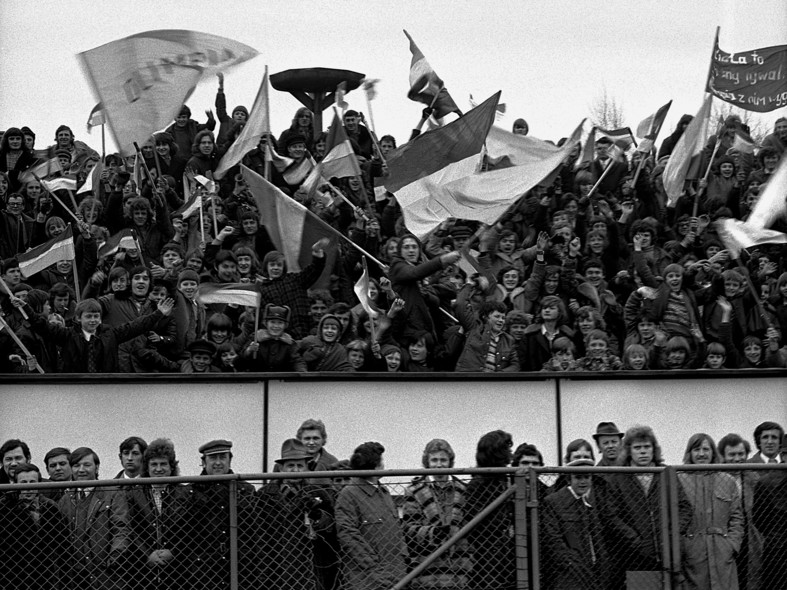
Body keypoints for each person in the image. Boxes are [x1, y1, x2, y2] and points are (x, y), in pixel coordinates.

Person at [604, 426, 692, 588]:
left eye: (647, 446)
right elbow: (612, 516)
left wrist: (672, 533)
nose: (643, 451)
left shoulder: (666, 474)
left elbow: (685, 507)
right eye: (637, 447)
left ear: (654, 449)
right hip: (637, 557)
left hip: (670, 555)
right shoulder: (618, 478)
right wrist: (636, 540)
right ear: (629, 451)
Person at [258, 438, 338, 590]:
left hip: (309, 567)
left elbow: (331, 527)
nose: (295, 470)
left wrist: (318, 515)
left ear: (306, 467)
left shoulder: (318, 493)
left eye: (300, 466)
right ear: (280, 468)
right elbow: (257, 533)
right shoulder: (264, 496)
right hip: (274, 567)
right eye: (290, 466)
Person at [335, 441, 407, 590]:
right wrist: (374, 569)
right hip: (366, 579)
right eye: (381, 460)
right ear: (375, 465)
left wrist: (403, 561)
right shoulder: (349, 494)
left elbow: (396, 532)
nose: (383, 464)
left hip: (395, 573)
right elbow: (348, 535)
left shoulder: (384, 492)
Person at [402, 439, 471, 590]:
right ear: (427, 462)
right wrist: (433, 533)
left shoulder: (463, 489)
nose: (439, 465)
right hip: (427, 564)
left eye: (443, 460)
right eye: (434, 460)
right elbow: (409, 528)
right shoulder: (415, 490)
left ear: (450, 462)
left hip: (458, 562)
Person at [58, 447, 131, 590]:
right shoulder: (65, 500)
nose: (81, 470)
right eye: (76, 465)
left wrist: (114, 559)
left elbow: (121, 529)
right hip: (75, 577)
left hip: (107, 575)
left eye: (87, 465)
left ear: (97, 467)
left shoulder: (112, 494)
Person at [678, 433, 744, 590]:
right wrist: (684, 547)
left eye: (706, 449)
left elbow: (737, 517)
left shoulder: (727, 480)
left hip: (722, 551)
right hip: (693, 552)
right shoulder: (679, 480)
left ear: (713, 452)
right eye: (696, 449)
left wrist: (732, 545)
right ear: (689, 453)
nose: (701, 454)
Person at [125, 438, 193, 590]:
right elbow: (131, 529)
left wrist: (174, 552)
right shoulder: (134, 494)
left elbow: (191, 530)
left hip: (179, 572)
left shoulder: (185, 494)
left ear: (171, 467)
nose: (158, 469)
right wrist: (147, 555)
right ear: (147, 467)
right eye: (154, 464)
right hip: (143, 573)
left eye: (163, 464)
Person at [190, 439, 258, 589]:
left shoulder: (245, 490)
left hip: (241, 569)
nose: (218, 463)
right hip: (203, 572)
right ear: (204, 461)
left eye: (222, 457)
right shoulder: (192, 492)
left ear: (230, 460)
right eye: (213, 458)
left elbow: (255, 532)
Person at [541, 458, 609, 590]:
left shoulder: (588, 502)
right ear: (569, 479)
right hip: (569, 574)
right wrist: (572, 564)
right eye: (578, 477)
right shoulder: (554, 501)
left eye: (587, 477)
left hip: (592, 570)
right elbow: (553, 540)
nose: (583, 481)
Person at [0, 462, 66, 590]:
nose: (29, 488)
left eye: (32, 482)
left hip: (44, 573)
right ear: (15, 484)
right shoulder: (4, 507)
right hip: (11, 573)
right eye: (23, 483)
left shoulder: (50, 507)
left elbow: (62, 543)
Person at [464, 430, 516, 590]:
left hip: (506, 552)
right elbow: (476, 523)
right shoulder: (478, 484)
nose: (510, 453)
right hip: (486, 555)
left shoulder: (505, 479)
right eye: (506, 449)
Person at [718, 433, 764, 590]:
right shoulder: (717, 479)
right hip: (725, 539)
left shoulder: (754, 479)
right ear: (723, 456)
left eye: (740, 454)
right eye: (732, 455)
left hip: (750, 540)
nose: (737, 459)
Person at [752, 458, 787, 590]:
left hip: (776, 544)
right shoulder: (766, 482)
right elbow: (759, 518)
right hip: (777, 547)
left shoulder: (766, 481)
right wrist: (775, 533)